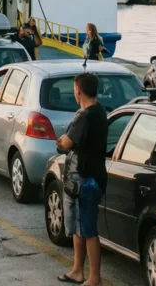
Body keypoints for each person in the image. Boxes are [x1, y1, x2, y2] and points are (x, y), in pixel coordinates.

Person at [56, 72, 107, 286]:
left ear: (78, 90)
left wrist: (60, 141)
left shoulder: (85, 116)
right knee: (79, 228)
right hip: (91, 178)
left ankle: (94, 278)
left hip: (85, 180)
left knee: (88, 230)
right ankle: (78, 270)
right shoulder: (100, 111)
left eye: (74, 89)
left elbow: (65, 143)